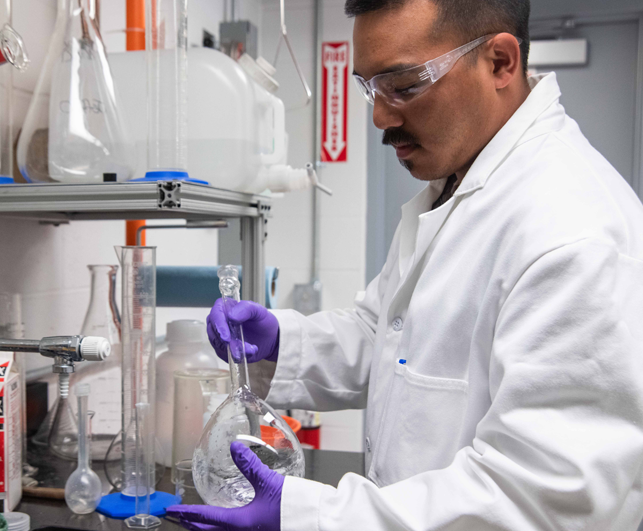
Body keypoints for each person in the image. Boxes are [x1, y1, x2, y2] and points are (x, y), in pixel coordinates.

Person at [168, 0, 643, 529]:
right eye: (369, 87)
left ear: (500, 62)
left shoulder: (571, 231)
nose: (379, 116)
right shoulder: (456, 186)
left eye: (405, 85)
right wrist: (282, 341)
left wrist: (311, 517)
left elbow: (540, 497)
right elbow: (389, 338)